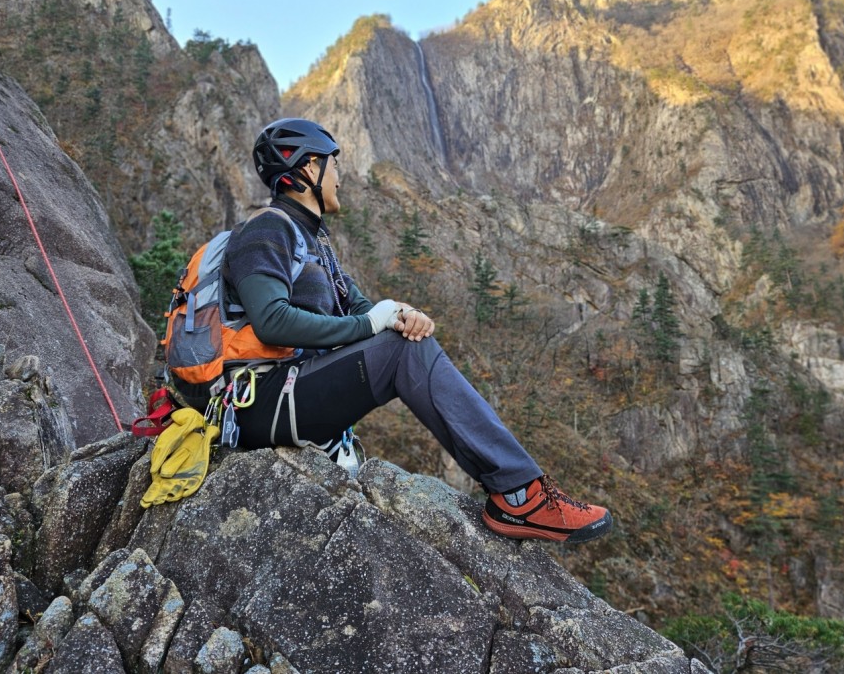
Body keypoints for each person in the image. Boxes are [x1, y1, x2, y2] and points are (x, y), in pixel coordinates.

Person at [175, 117, 613, 543]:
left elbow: (364, 309)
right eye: (334, 162)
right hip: (256, 402)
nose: (340, 176)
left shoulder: (316, 243)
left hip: (285, 393)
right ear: (309, 167)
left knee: (405, 343)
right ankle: (521, 494)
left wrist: (403, 316)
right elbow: (272, 321)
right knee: (401, 352)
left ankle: (519, 490)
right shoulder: (267, 228)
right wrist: (373, 324)